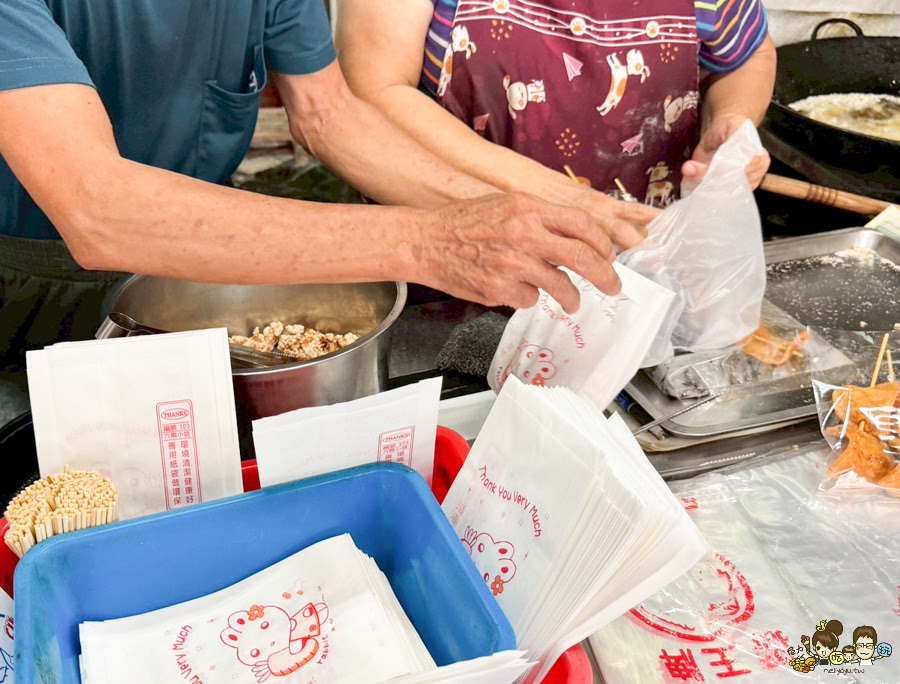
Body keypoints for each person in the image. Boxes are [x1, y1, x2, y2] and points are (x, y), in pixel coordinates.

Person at [0, 0, 650, 369]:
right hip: (27, 281)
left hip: (201, 267)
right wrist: (428, 242)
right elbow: (97, 209)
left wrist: (557, 212)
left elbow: (329, 115)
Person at [335, 0, 776, 213]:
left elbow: (745, 57)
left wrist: (733, 119)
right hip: (448, 263)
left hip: (642, 271)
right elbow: (372, 91)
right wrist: (550, 197)